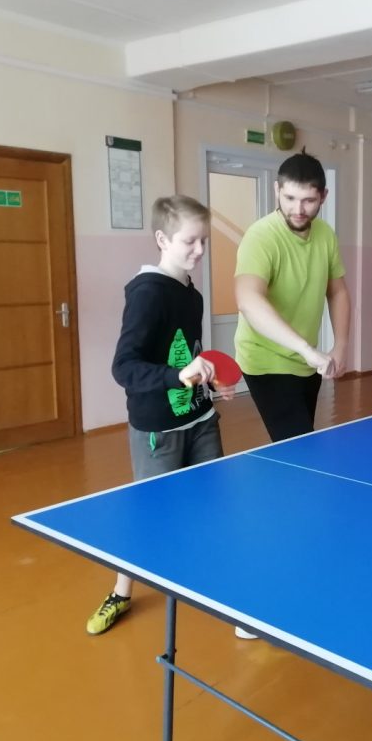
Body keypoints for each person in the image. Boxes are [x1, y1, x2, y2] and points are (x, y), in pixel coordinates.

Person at [86, 194, 231, 636]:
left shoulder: (192, 294)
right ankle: (121, 592)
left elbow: (186, 353)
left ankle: (215, 578)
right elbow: (124, 367)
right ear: (162, 239)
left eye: (204, 241)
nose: (199, 251)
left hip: (200, 420)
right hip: (159, 430)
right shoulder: (147, 293)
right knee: (149, 516)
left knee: (212, 501)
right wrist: (177, 376)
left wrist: (208, 381)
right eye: (190, 241)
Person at [234, 150, 351, 444]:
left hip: (306, 361)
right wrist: (305, 348)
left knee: (296, 446)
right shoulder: (261, 236)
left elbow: (337, 291)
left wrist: (340, 345)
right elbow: (248, 300)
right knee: (300, 446)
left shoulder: (325, 235)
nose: (298, 209)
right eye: (289, 198)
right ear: (277, 190)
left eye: (308, 200)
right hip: (266, 359)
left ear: (323, 196)